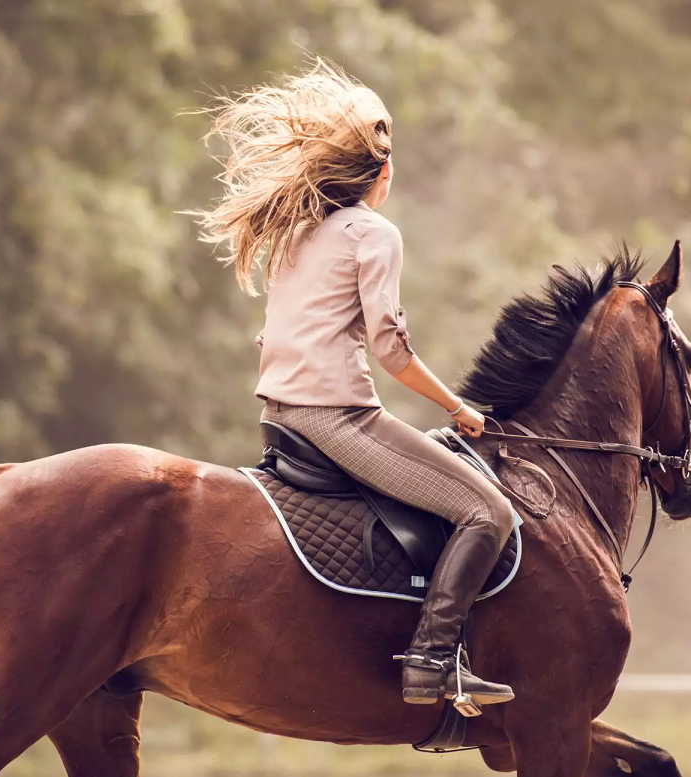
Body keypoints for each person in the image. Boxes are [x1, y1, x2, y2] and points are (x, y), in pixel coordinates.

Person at [190, 60, 517, 708]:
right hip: (336, 420)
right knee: (490, 511)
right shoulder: (375, 233)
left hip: (279, 416)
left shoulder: (295, 230)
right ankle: (431, 659)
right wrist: (460, 407)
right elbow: (392, 352)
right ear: (384, 174)